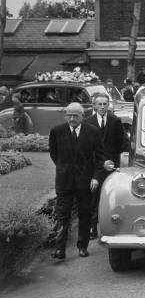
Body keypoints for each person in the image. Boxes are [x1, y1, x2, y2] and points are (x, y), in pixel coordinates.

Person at [49, 103, 105, 260]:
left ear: (82, 116)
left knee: (85, 215)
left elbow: (100, 157)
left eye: (75, 116)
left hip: (85, 182)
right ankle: (60, 249)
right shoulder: (57, 131)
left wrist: (95, 177)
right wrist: (64, 169)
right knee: (62, 215)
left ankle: (83, 246)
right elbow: (54, 155)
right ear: (66, 115)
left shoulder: (92, 132)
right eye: (69, 115)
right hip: (64, 181)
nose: (72, 118)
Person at [84, 92, 128, 239]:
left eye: (105, 104)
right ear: (94, 105)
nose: (102, 107)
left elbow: (123, 143)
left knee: (111, 196)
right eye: (99, 104)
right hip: (95, 165)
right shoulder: (88, 121)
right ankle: (92, 228)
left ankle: (112, 227)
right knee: (93, 196)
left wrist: (118, 161)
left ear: (108, 105)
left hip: (111, 165)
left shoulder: (115, 121)